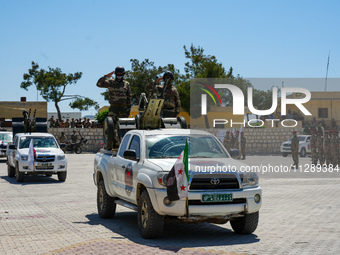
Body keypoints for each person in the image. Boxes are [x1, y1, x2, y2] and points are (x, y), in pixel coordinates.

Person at [97, 66, 131, 149]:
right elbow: (98, 84)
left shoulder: (126, 84)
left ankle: (122, 144)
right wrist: (105, 76)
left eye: (121, 74)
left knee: (123, 127)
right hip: (113, 108)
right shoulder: (110, 82)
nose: (119, 75)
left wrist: (128, 109)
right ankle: (111, 144)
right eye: (118, 74)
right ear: (115, 74)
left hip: (123, 108)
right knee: (110, 127)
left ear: (123, 74)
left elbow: (129, 97)